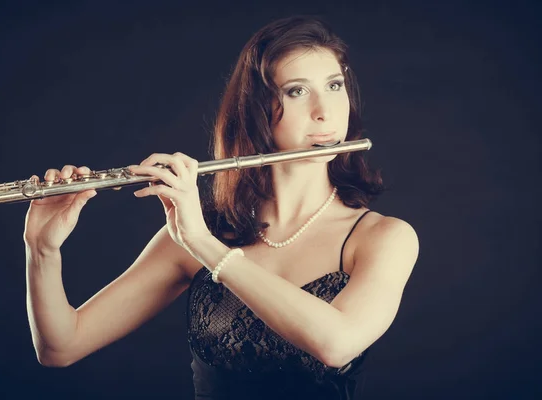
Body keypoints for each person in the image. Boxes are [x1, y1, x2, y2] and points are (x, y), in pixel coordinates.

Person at [23, 15, 419, 400]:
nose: (325, 111)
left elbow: (337, 343)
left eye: (334, 86)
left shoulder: (382, 238)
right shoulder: (194, 232)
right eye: (296, 91)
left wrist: (203, 244)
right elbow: (61, 347)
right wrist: (42, 250)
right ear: (258, 109)